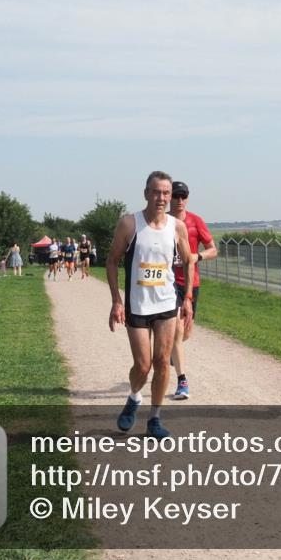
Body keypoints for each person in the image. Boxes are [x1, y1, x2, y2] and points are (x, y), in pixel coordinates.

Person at [108, 171, 194, 438]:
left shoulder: (175, 226)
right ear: (146, 193)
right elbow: (112, 261)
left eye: (166, 193)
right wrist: (116, 301)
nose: (162, 198)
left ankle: (155, 418)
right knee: (143, 365)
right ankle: (134, 398)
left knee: (161, 362)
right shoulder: (129, 224)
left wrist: (187, 299)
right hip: (138, 305)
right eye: (156, 192)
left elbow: (189, 260)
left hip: (167, 303)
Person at [169, 181, 217, 400]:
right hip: (167, 283)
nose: (179, 200)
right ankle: (182, 381)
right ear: (170, 197)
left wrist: (196, 257)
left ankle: (172, 350)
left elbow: (213, 249)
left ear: (187, 198)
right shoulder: (163, 222)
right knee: (178, 331)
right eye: (176, 196)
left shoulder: (196, 221)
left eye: (183, 196)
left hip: (191, 282)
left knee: (186, 332)